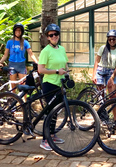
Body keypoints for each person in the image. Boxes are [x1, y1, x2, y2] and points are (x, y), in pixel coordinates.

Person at [38, 23, 69, 151]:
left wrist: (67, 73)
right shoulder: (45, 51)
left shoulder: (61, 49)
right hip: (49, 84)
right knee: (49, 112)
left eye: (56, 34)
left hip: (59, 84)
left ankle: (52, 135)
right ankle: (45, 139)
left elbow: (65, 65)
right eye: (51, 35)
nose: (54, 36)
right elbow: (41, 69)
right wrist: (57, 71)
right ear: (48, 37)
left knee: (56, 111)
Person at [92, 29, 116, 98]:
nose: (111, 41)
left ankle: (114, 109)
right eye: (109, 39)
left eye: (113, 39)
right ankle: (102, 108)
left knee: (113, 95)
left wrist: (112, 77)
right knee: (101, 96)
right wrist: (94, 75)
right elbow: (97, 61)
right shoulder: (103, 48)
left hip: (111, 72)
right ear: (107, 40)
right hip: (101, 71)